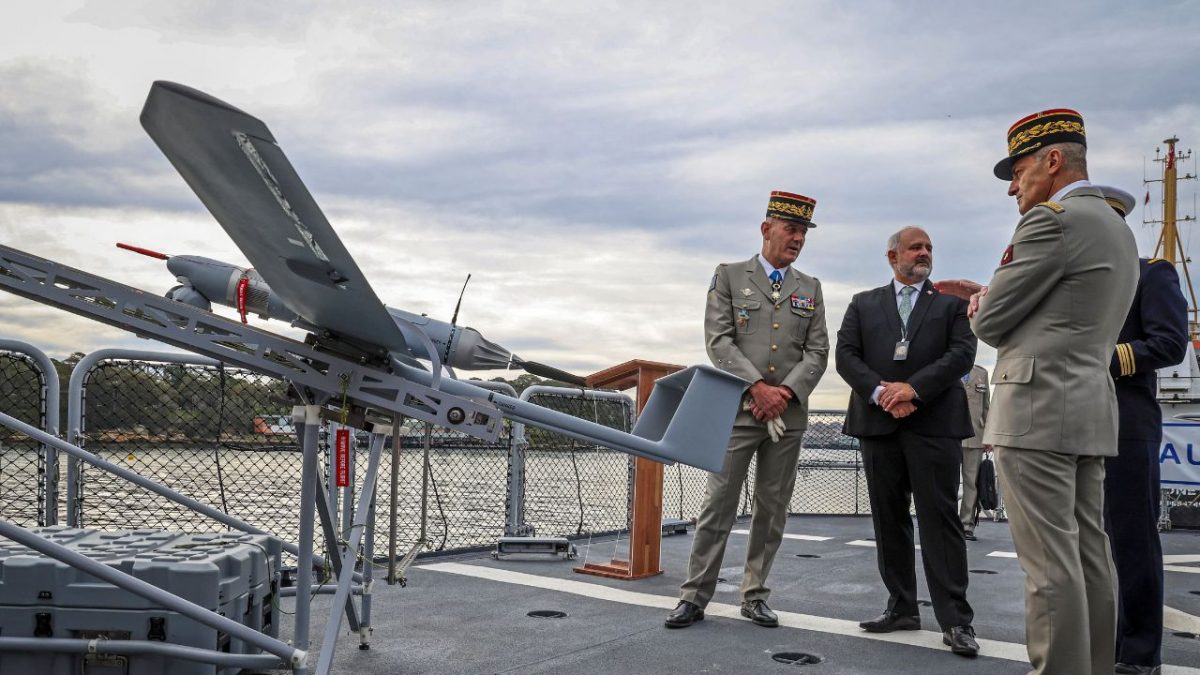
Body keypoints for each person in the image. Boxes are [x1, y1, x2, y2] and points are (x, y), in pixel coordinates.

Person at [939, 109, 1140, 675]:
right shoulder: (1115, 225)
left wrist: (981, 300)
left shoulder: (1049, 222)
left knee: (1048, 567)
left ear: (1053, 162)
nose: (1013, 185)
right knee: (1089, 555)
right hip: (1088, 409)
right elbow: (1067, 309)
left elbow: (992, 323)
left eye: (1020, 169)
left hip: (1035, 411)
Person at [666, 190, 829, 629]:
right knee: (718, 503)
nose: (797, 239)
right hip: (737, 411)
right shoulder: (730, 276)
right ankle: (694, 595)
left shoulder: (810, 288)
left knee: (772, 508)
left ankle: (755, 594)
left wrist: (784, 394)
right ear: (766, 229)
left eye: (803, 233)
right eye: (790, 229)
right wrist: (757, 387)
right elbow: (718, 341)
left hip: (788, 417)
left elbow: (817, 353)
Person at [834, 226, 979, 658]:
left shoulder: (952, 305)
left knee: (940, 520)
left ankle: (956, 620)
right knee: (888, 519)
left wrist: (912, 389)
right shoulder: (863, 304)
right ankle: (901, 608)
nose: (924, 253)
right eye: (916, 247)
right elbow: (845, 355)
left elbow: (962, 354)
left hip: (933, 424)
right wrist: (882, 393)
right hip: (879, 424)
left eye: (929, 247)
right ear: (892, 256)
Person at [1097, 185, 1188, 675]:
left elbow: (1170, 343)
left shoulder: (1151, 275)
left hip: (1126, 423)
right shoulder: (1078, 285)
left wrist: (1098, 362)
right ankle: (1096, 644)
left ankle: (1138, 654)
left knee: (1131, 541)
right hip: (1074, 421)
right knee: (1084, 542)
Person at [959, 364, 990, 540]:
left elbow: (987, 407)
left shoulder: (981, 373)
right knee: (947, 483)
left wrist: (989, 435)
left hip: (975, 436)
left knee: (971, 484)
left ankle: (966, 525)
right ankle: (946, 523)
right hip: (949, 435)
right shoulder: (949, 367)